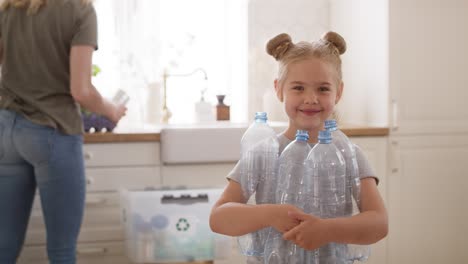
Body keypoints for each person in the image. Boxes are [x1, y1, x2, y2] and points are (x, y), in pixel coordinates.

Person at [209, 32, 388, 263]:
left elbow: (379, 223)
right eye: (298, 88)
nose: (311, 98)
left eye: (323, 89)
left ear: (339, 92)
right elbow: (218, 218)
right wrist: (269, 214)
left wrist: (327, 230)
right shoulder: (264, 153)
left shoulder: (349, 153)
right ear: (279, 89)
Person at [0, 0, 126, 263]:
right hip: (52, 131)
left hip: (7, 131)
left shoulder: (9, 6)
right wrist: (111, 110)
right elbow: (81, 91)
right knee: (61, 249)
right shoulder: (80, 9)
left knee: (4, 246)